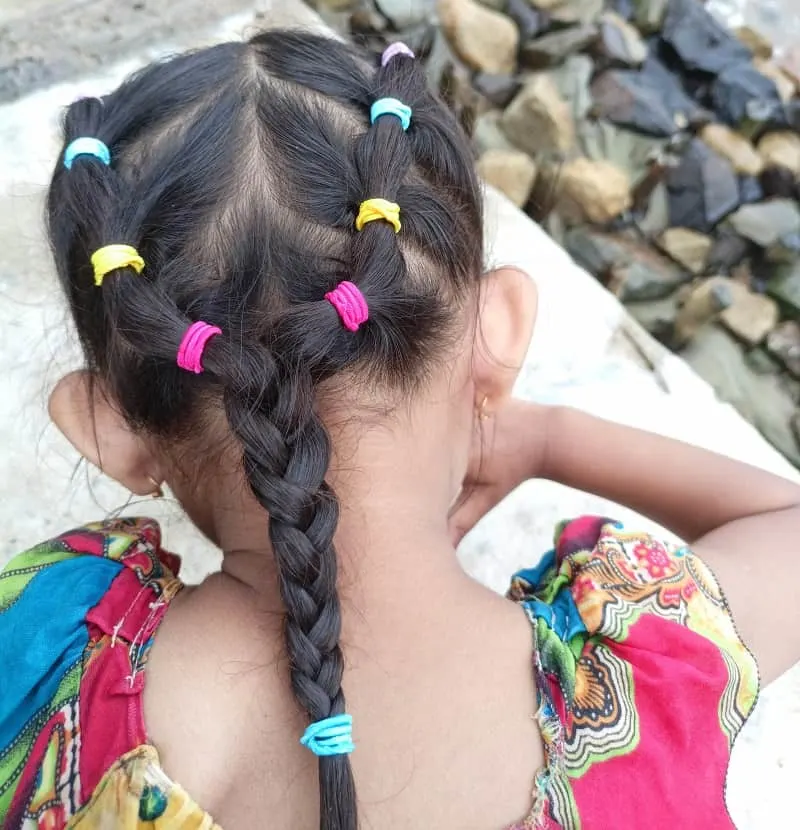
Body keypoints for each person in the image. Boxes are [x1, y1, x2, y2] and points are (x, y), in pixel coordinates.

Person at [0, 28, 797, 830]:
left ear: (107, 427)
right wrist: (545, 437)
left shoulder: (46, 653)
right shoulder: (648, 684)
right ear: (501, 332)